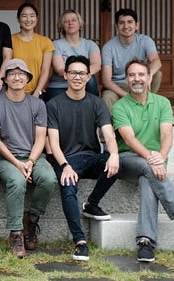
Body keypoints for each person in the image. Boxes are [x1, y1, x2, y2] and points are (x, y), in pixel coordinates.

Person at [103, 59, 174, 262]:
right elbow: (129, 139)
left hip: (155, 162)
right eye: (132, 75)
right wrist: (153, 159)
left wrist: (162, 158)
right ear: (126, 79)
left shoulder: (162, 103)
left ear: (150, 78)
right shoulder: (120, 107)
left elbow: (167, 134)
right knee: (144, 167)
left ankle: (145, 242)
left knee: (147, 180)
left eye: (141, 74)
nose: (137, 79)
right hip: (128, 160)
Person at [45, 55, 120, 261]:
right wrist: (65, 165)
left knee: (115, 164)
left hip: (91, 157)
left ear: (88, 77)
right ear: (65, 75)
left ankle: (91, 203)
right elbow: (53, 143)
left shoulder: (97, 103)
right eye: (73, 73)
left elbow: (108, 133)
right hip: (66, 158)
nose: (77, 77)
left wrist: (113, 155)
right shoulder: (53, 104)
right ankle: (80, 241)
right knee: (68, 187)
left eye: (82, 73)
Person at [0, 59, 57, 256]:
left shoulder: (37, 104)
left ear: (28, 78)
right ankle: (16, 233)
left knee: (48, 178)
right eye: (12, 73)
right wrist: (18, 164)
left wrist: (30, 162)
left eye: (21, 74)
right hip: (4, 158)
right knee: (17, 181)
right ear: (5, 79)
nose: (17, 77)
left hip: (32, 156)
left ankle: (32, 220)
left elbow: (40, 138)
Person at [101, 8, 162, 109]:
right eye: (121, 23)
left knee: (157, 74)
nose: (126, 26)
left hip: (139, 80)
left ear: (136, 25)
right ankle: (115, 124)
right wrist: (127, 96)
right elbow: (106, 81)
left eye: (130, 22)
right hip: (119, 85)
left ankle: (146, 105)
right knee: (107, 96)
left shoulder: (145, 40)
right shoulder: (108, 47)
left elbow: (156, 61)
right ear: (116, 26)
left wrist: (149, 75)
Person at [46, 9, 100, 100]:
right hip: (60, 85)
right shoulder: (56, 44)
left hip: (83, 84)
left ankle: (93, 107)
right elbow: (59, 70)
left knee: (91, 80)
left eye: (74, 20)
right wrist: (78, 73)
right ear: (62, 25)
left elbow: (97, 65)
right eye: (66, 21)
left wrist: (80, 75)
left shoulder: (90, 44)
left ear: (80, 23)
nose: (70, 23)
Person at [11, 3, 53, 98]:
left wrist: (37, 92)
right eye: (24, 16)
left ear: (37, 18)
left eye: (32, 16)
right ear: (18, 19)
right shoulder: (10, 40)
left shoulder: (45, 42)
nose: (28, 20)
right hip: (14, 91)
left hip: (36, 92)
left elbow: (45, 70)